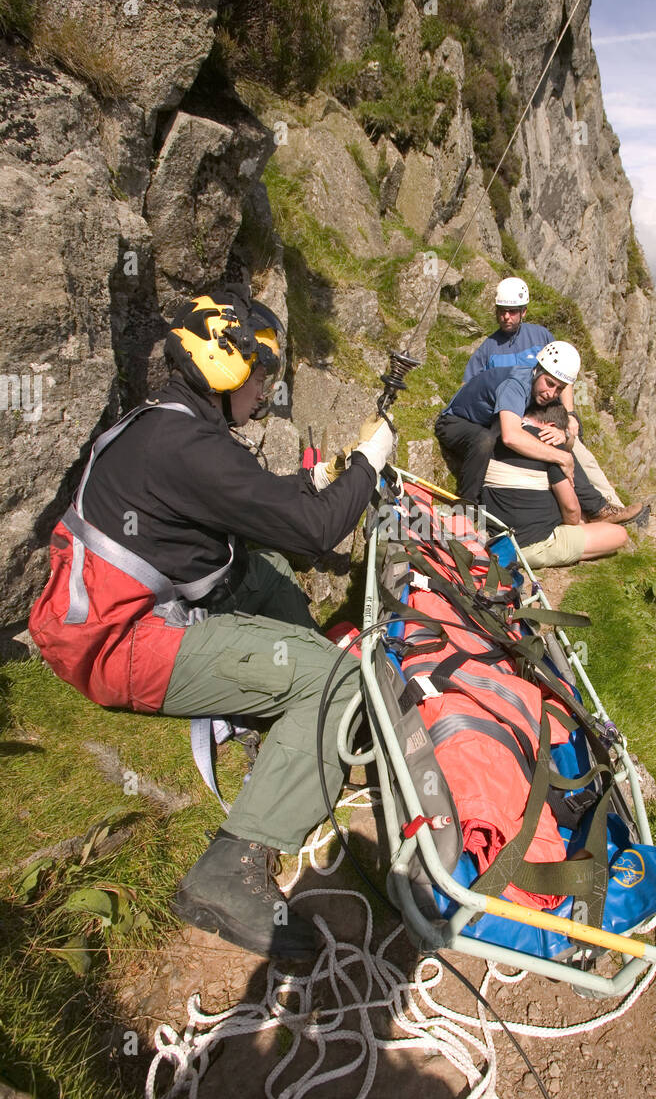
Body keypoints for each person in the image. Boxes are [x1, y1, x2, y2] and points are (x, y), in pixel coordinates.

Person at [29, 288, 393, 964]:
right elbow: (314, 531)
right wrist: (370, 464)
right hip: (116, 647)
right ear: (229, 368)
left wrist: (322, 476)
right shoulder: (186, 444)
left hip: (123, 614)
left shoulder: (172, 425)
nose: (269, 390)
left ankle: (290, 730)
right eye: (265, 374)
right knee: (337, 680)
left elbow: (258, 499)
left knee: (269, 580)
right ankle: (229, 870)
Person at [454, 275, 644, 521]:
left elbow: (560, 377)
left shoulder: (541, 336)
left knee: (576, 447)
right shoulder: (488, 349)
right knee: (554, 448)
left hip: (546, 412)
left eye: (512, 312)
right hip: (514, 417)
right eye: (501, 311)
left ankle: (613, 505)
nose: (506, 317)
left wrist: (569, 418)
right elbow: (468, 387)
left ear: (524, 311)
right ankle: (594, 510)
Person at [435, 342, 643, 525]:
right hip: (456, 423)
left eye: (559, 389)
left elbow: (565, 428)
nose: (551, 393)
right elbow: (510, 436)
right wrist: (563, 457)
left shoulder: (541, 388)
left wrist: (564, 436)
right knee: (484, 441)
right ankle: (466, 507)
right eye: (549, 384)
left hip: (491, 424)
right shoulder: (515, 385)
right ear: (537, 370)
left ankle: (598, 509)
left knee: (549, 441)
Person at [482, 400, 627, 567]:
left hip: (495, 536)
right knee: (619, 534)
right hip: (529, 546)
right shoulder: (549, 444)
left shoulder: (499, 433)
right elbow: (571, 510)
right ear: (550, 426)